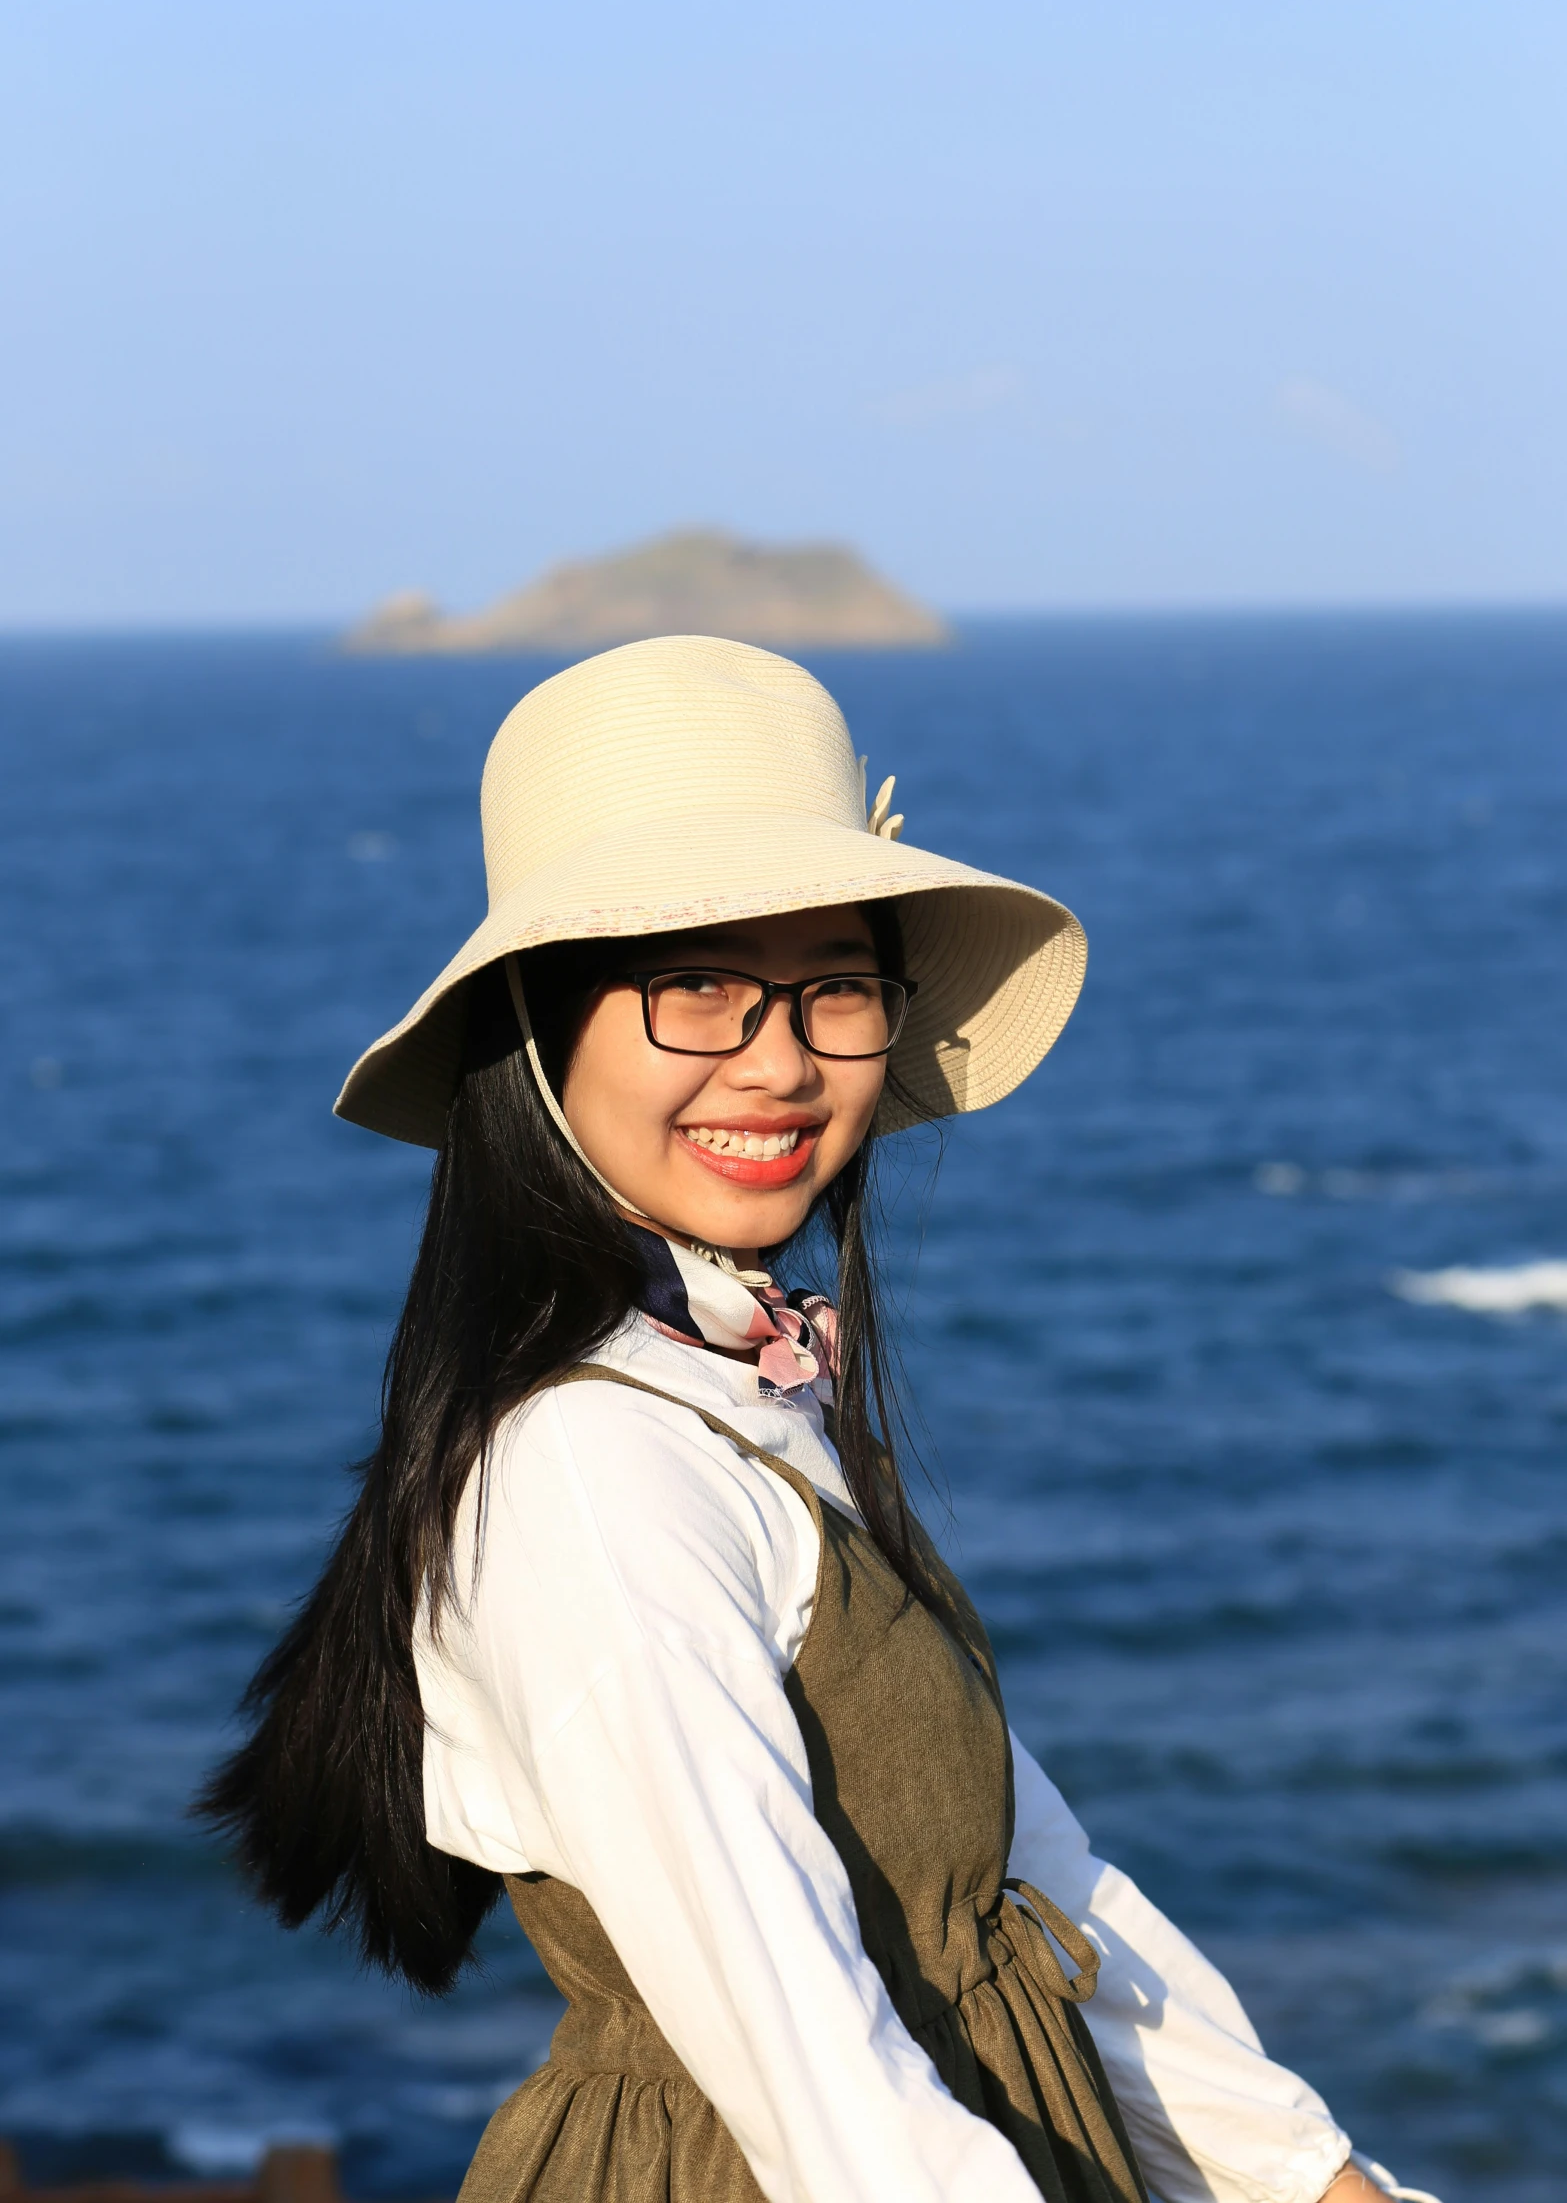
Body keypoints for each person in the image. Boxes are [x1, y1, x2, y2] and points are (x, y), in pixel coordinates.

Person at [201, 637, 1437, 2203]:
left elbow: (1021, 1893)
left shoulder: (726, 1391)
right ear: (536, 1029)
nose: (778, 1060)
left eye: (832, 986)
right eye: (697, 982)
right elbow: (810, 2064)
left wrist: (1320, 2182)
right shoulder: (591, 1466)